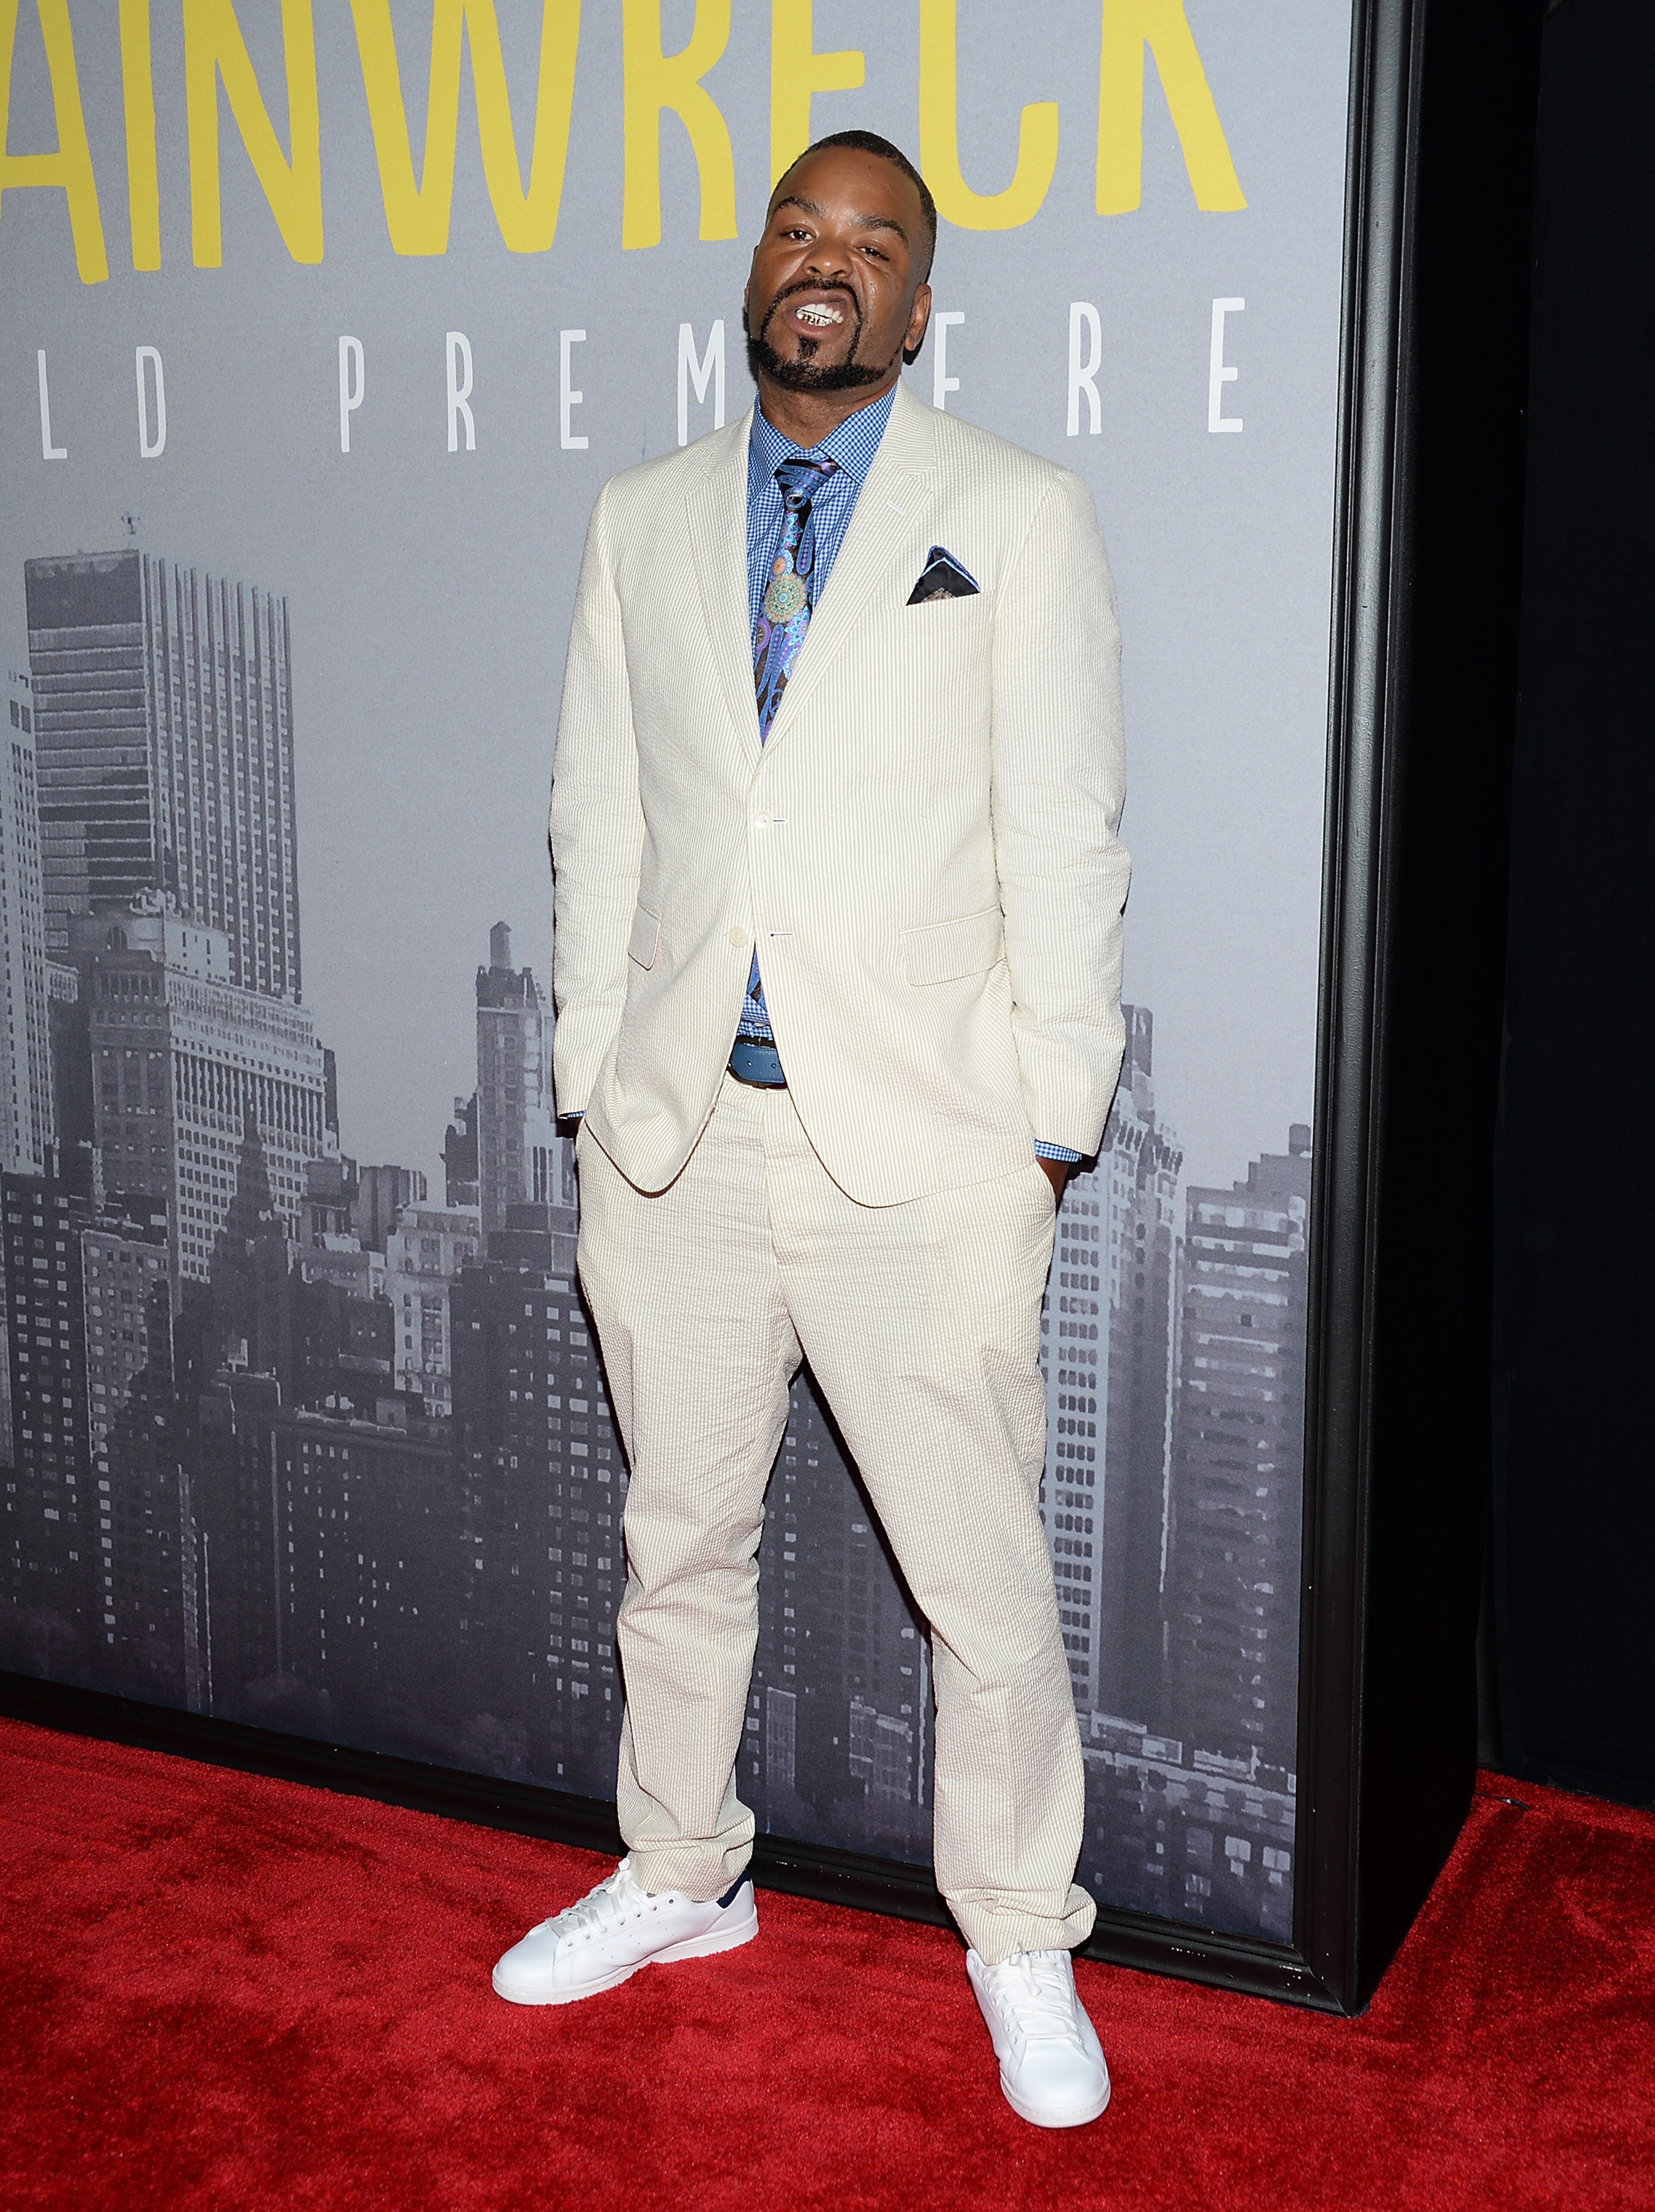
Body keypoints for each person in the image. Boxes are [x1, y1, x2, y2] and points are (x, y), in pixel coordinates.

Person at [495, 129, 1129, 2131]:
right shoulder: (639, 517)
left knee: (982, 1575)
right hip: (681, 1141)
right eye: (802, 227)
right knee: (674, 1544)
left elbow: (1067, 831)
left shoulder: (1014, 513)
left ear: (921, 305)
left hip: (922, 1153)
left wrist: (1043, 1132)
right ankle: (683, 1870)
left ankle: (1019, 1919)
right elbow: (600, 811)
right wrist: (596, 1083)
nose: (831, 262)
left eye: (876, 242)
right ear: (758, 267)